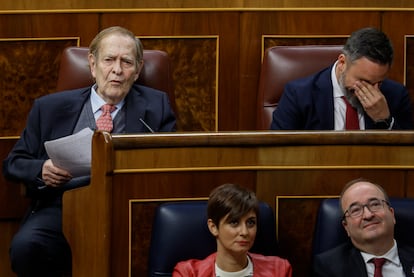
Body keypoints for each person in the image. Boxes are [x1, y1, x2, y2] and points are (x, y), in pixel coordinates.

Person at [2, 26, 176, 276]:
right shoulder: (49, 108)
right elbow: (14, 162)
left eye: (126, 62)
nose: (117, 70)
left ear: (137, 71)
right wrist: (42, 169)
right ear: (93, 65)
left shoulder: (156, 106)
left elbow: (172, 164)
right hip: (62, 206)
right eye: (109, 60)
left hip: (129, 211)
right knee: (26, 247)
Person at [270, 27, 413, 130]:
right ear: (342, 63)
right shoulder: (299, 94)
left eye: (379, 82)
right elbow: (278, 152)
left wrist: (386, 121)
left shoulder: (396, 95)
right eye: (364, 81)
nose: (373, 91)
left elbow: (407, 155)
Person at [173, 183, 292, 277]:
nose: (244, 232)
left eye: (250, 223)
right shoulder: (188, 273)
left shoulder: (279, 270)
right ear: (213, 227)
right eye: (234, 222)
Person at [312, 178, 414, 277]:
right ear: (346, 227)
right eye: (356, 210)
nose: (368, 215)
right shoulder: (327, 267)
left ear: (392, 214)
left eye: (375, 204)